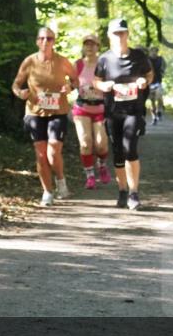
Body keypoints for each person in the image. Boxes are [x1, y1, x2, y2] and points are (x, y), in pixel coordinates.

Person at [11, 26, 80, 206]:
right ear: (37, 41)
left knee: (53, 151)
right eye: (42, 38)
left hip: (58, 112)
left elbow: (75, 80)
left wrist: (70, 88)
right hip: (35, 112)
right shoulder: (29, 62)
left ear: (54, 41)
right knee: (41, 154)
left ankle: (61, 180)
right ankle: (47, 192)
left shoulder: (62, 61)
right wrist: (20, 93)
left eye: (49, 39)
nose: (45, 42)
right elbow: (16, 84)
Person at [94, 18, 154, 211]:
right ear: (109, 36)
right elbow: (96, 80)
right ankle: (122, 190)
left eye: (122, 32)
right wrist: (103, 85)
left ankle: (134, 193)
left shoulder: (139, 56)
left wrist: (144, 82)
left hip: (133, 111)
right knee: (118, 152)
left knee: (130, 149)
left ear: (127, 34)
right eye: (115, 33)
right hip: (113, 112)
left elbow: (150, 74)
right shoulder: (105, 59)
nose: (119, 36)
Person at [72, 34, 112, 190]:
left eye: (93, 44)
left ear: (98, 47)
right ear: (83, 47)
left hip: (101, 108)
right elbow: (71, 83)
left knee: (101, 145)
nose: (89, 47)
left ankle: (102, 165)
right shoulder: (77, 65)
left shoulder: (104, 64)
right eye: (86, 44)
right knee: (85, 142)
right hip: (82, 108)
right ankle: (89, 176)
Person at [147, 46, 167, 125]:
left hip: (158, 82)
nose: (154, 53)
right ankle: (154, 117)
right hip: (149, 83)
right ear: (150, 52)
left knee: (159, 96)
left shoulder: (160, 59)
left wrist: (162, 72)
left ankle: (159, 111)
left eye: (155, 51)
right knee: (152, 101)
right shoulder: (147, 60)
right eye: (152, 51)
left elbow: (164, 67)